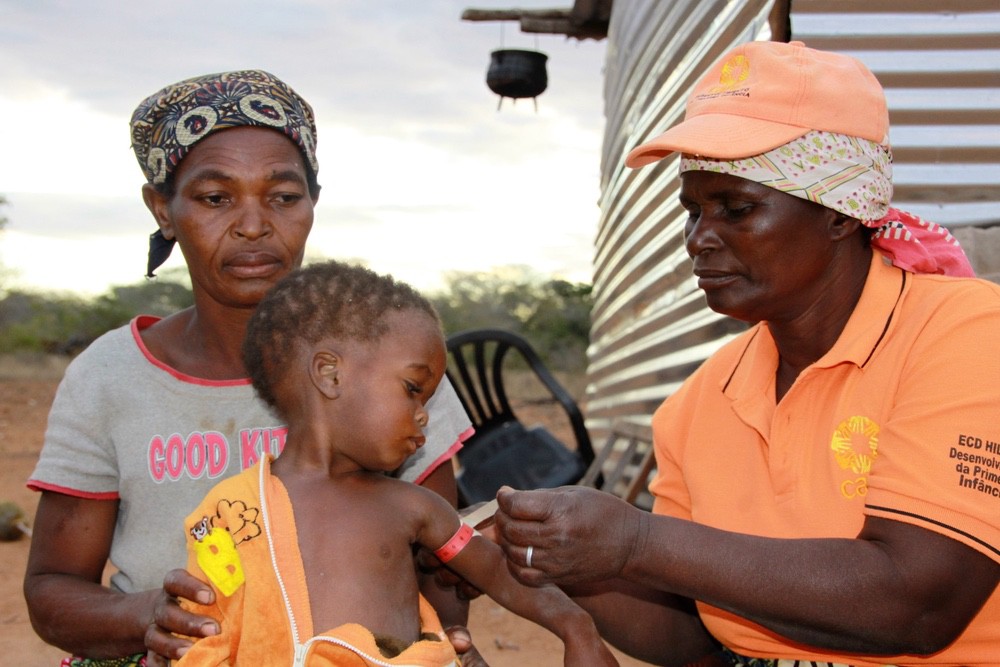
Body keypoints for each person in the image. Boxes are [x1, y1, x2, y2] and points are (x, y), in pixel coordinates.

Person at [492, 40, 1000, 666]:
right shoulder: (702, 400)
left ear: (842, 212)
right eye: (692, 210)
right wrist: (541, 555)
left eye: (736, 208)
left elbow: (916, 605)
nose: (701, 239)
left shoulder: (969, 336)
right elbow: (695, 638)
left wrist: (638, 540)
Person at [23, 70, 484, 666]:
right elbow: (52, 590)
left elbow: (439, 569)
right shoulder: (111, 377)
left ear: (312, 204)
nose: (252, 225)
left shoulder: (392, 362)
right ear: (163, 208)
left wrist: (437, 640)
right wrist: (147, 616)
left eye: (283, 197)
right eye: (216, 198)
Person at [170, 259, 618, 665]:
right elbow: (207, 624)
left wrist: (576, 626)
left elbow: (499, 571)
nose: (424, 414)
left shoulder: (412, 507)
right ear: (330, 374)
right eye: (412, 388)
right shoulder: (231, 511)